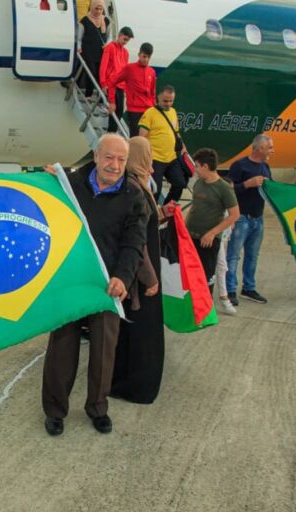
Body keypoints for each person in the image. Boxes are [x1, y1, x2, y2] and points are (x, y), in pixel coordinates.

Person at [42, 134, 147, 436]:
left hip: (107, 282)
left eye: (122, 160)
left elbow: (134, 242)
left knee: (104, 349)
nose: (115, 166)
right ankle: (54, 410)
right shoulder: (70, 184)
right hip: (72, 280)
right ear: (97, 156)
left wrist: (123, 277)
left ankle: (97, 408)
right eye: (109, 158)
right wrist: (47, 180)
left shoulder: (132, 195)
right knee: (62, 347)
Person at [110, 136, 165, 404]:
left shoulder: (135, 185)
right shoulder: (135, 189)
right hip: (141, 276)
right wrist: (150, 279)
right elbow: (137, 242)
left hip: (137, 273)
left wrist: (163, 213)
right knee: (142, 331)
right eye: (149, 156)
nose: (152, 162)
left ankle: (121, 381)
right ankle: (134, 386)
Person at [225, 134, 274, 307]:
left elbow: (272, 191)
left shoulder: (265, 167)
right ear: (259, 148)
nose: (272, 151)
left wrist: (269, 185)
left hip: (258, 218)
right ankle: (230, 290)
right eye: (270, 148)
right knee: (233, 256)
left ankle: (249, 288)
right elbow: (228, 191)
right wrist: (247, 184)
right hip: (241, 218)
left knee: (252, 256)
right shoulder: (239, 166)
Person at [185, 148, 239, 299]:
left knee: (206, 277)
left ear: (205, 166)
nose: (195, 170)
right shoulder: (198, 184)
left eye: (196, 166)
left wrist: (212, 233)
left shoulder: (224, 188)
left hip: (208, 241)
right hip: (191, 237)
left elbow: (234, 215)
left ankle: (205, 307)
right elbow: (193, 207)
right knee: (190, 275)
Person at [138, 85, 187, 203]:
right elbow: (141, 138)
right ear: (158, 98)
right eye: (165, 101)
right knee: (156, 190)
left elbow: (175, 132)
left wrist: (183, 146)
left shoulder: (173, 112)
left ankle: (166, 209)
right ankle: (152, 214)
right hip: (155, 158)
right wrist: (146, 160)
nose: (168, 104)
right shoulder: (150, 113)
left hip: (171, 157)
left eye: (171, 101)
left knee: (180, 184)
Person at [111, 42, 156, 136]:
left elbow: (152, 93)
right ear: (139, 54)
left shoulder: (151, 72)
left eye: (148, 57)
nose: (146, 59)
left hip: (148, 111)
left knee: (147, 140)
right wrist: (112, 101)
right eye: (144, 56)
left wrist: (154, 108)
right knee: (135, 140)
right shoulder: (129, 68)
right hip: (134, 111)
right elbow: (112, 82)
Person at [100, 26, 133, 133]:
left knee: (119, 113)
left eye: (127, 40)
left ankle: (111, 134)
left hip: (121, 86)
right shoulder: (110, 47)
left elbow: (125, 72)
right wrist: (103, 83)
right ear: (119, 35)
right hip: (111, 84)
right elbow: (103, 66)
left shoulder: (126, 52)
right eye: (124, 39)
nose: (125, 42)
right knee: (113, 112)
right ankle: (110, 135)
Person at [76, 0, 109, 99]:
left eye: (100, 9)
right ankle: (88, 95)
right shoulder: (85, 20)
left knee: (100, 74)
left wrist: (107, 45)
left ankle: (99, 98)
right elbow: (79, 37)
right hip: (88, 51)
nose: (98, 11)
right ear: (92, 7)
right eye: (96, 8)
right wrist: (79, 47)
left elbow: (109, 36)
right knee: (91, 72)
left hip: (101, 52)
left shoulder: (106, 21)